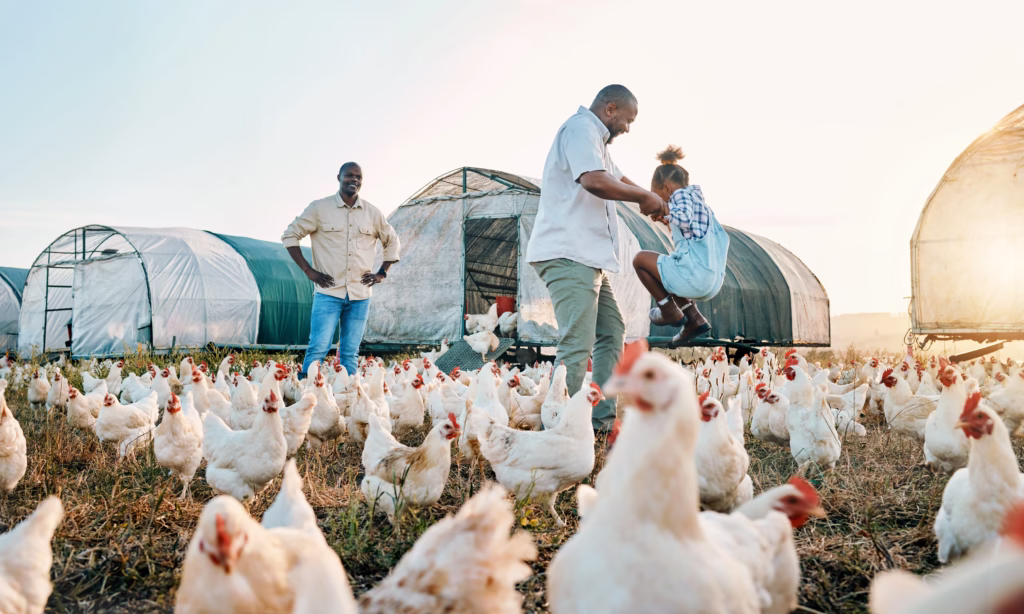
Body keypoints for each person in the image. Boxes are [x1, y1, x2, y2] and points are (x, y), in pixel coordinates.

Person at [526, 84, 668, 430]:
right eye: (627, 120)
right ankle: (563, 429)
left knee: (611, 331)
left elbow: (616, 177)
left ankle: (599, 420)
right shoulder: (580, 129)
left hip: (585, 259)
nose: (627, 128)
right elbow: (595, 181)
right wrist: (643, 198)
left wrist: (653, 199)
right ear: (611, 108)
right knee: (577, 341)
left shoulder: (595, 143)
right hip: (568, 253)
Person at [282, 162, 401, 379]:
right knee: (318, 348)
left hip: (360, 295)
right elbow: (290, 236)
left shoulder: (372, 213)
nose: (354, 180)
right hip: (328, 293)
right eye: (349, 176)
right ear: (339, 177)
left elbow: (392, 241)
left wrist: (382, 272)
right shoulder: (319, 209)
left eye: (358, 177)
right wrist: (309, 271)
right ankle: (308, 395)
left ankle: (347, 397)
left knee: (350, 353)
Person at [632, 146, 730, 345]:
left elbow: (682, 215)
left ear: (667, 188)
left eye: (657, 194)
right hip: (711, 281)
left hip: (695, 277)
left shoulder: (680, 196)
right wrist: (666, 219)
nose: (658, 199)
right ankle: (694, 319)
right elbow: (689, 227)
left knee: (640, 260)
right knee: (667, 267)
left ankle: (669, 311)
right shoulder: (700, 203)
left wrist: (662, 208)